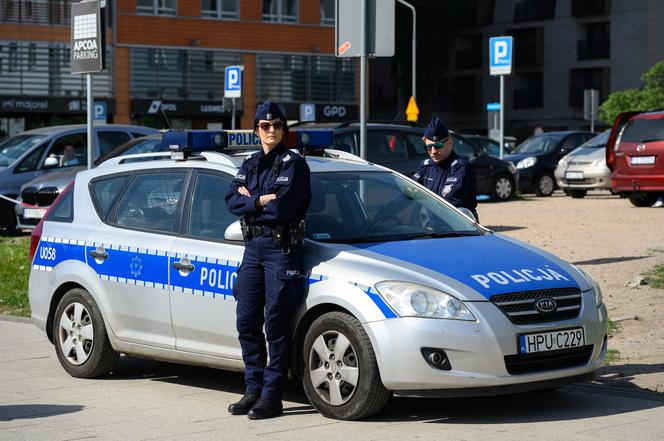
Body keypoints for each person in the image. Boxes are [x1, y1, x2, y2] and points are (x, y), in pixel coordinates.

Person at [225, 101, 311, 420]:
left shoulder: (294, 164)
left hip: (281, 249)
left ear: (284, 129)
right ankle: (253, 390)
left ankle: (272, 397)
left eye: (276, 125)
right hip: (253, 249)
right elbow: (231, 200)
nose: (271, 130)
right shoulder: (249, 163)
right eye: (264, 125)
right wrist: (261, 199)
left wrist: (252, 201)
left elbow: (284, 208)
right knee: (246, 321)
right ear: (256, 129)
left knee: (275, 323)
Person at [412, 117, 479, 221]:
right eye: (429, 147)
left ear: (450, 142)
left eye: (438, 145)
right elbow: (408, 191)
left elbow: (449, 204)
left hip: (458, 226)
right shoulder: (425, 167)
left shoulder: (460, 167)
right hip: (431, 223)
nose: (433, 151)